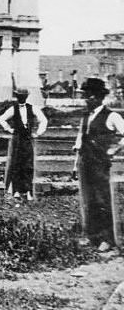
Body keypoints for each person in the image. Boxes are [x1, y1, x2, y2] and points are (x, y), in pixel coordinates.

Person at [73, 77, 124, 251]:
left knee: (102, 199)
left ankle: (107, 239)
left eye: (89, 96)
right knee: (89, 200)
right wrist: (75, 165)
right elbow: (80, 140)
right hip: (85, 162)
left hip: (101, 164)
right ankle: (92, 236)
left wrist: (113, 150)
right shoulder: (86, 116)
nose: (86, 99)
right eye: (85, 96)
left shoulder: (112, 115)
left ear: (98, 97)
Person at [0, 87, 47, 200]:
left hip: (28, 139)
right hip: (17, 138)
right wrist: (9, 129)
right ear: (17, 96)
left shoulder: (33, 108)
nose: (21, 97)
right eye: (19, 96)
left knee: (28, 165)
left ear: (26, 97)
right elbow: (2, 119)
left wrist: (38, 133)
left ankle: (28, 191)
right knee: (16, 164)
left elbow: (43, 120)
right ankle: (16, 191)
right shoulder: (13, 109)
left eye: (23, 96)